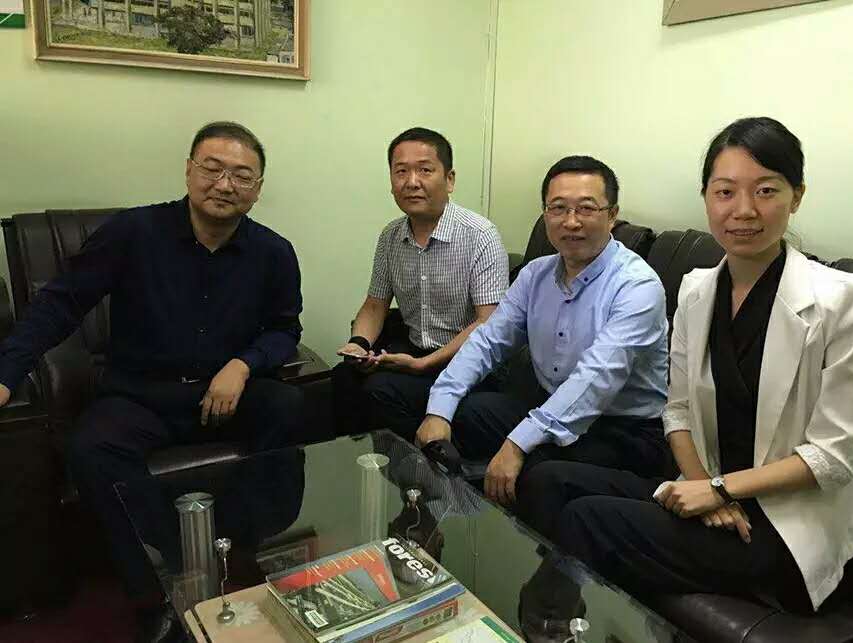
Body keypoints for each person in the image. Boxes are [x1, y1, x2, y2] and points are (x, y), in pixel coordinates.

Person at [517, 117, 853, 613]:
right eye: (725, 191)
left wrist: (720, 490)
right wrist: (701, 483)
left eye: (766, 190)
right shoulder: (697, 290)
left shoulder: (838, 299)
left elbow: (832, 456)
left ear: (796, 196)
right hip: (705, 483)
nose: (743, 210)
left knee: (588, 520)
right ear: (706, 196)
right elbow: (678, 410)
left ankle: (558, 624)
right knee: (546, 479)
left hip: (783, 517)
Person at [0, 121, 311, 641]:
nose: (224, 184)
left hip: (223, 396)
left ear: (257, 189)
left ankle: (240, 548)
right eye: (212, 168)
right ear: (189, 171)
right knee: (91, 448)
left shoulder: (274, 252)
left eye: (241, 175)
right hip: (141, 395)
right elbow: (60, 303)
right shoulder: (133, 232)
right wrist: (7, 373)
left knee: (289, 408)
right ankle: (161, 584)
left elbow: (285, 329)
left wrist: (243, 364)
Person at [417, 156, 670, 505]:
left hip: (624, 430)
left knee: (537, 469)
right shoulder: (535, 274)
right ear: (545, 213)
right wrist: (439, 409)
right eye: (558, 208)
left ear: (612, 215)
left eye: (586, 209)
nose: (571, 222)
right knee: (464, 413)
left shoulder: (637, 286)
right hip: (551, 406)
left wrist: (517, 443)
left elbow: (595, 380)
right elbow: (488, 341)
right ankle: (457, 517)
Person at [332, 127, 508, 439]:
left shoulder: (480, 235)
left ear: (449, 179)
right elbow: (375, 305)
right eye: (401, 171)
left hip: (468, 363)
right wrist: (359, 345)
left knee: (380, 390)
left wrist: (424, 364)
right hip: (413, 351)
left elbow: (488, 322)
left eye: (425, 170)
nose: (412, 182)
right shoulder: (391, 236)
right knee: (343, 377)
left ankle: (419, 465)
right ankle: (360, 462)